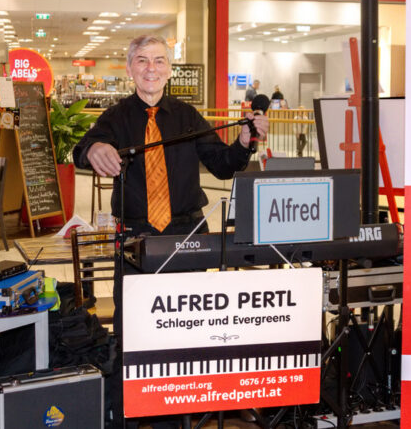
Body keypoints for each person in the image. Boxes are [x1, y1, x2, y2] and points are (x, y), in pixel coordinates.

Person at [72, 35, 268, 428]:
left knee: (189, 333)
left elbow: (222, 164)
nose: (151, 68)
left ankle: (183, 414)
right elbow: (83, 149)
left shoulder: (187, 116)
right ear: (130, 69)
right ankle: (132, 412)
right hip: (136, 238)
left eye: (159, 61)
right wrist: (93, 150)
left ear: (169, 70)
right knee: (135, 331)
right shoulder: (116, 116)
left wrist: (244, 141)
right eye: (142, 61)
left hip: (188, 232)